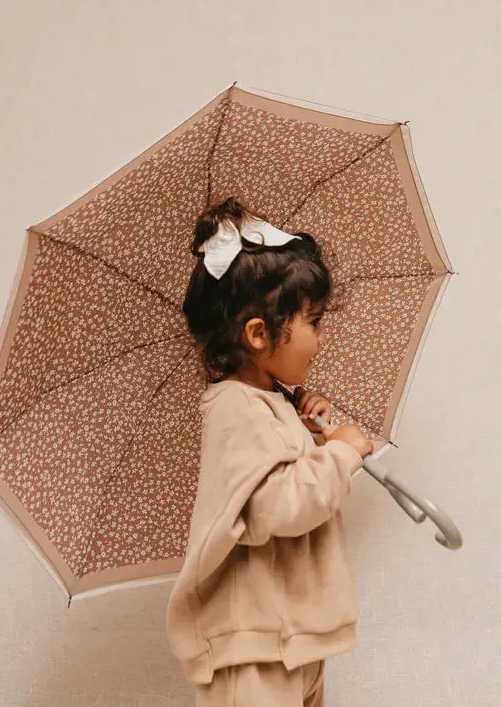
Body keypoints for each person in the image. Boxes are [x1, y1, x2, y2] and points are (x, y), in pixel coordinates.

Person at [165, 196, 374, 706]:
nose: (320, 340)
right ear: (260, 334)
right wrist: (341, 455)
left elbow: (283, 476)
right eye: (314, 322)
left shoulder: (269, 403)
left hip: (290, 638)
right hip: (253, 648)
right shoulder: (234, 407)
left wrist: (313, 434)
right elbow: (279, 506)